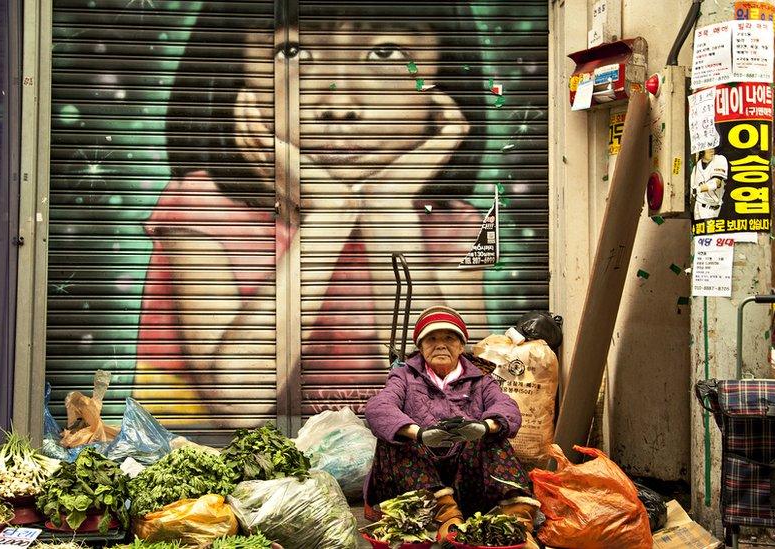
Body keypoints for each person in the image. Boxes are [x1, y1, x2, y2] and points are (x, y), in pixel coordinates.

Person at [134, 4, 492, 416]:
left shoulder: (451, 224)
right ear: (234, 75)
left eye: (387, 52)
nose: (339, 103)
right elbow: (240, 403)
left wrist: (388, 205)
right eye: (294, 52)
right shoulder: (203, 206)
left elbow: (455, 406)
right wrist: (330, 214)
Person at [364, 306, 540, 549]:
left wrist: (484, 427)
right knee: (393, 438)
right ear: (420, 345)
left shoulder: (481, 379)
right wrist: (419, 433)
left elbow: (506, 406)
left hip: (467, 479)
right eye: (432, 338)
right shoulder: (404, 375)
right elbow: (378, 407)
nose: (441, 345)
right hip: (418, 480)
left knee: (495, 437)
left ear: (461, 345)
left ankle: (516, 524)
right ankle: (446, 518)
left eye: (449, 338)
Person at [691, 147, 729, 221]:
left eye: (712, 147)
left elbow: (717, 182)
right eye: (708, 148)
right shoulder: (696, 167)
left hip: (715, 209)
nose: (712, 150)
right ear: (702, 151)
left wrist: (698, 189)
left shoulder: (719, 159)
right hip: (699, 208)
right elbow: (692, 188)